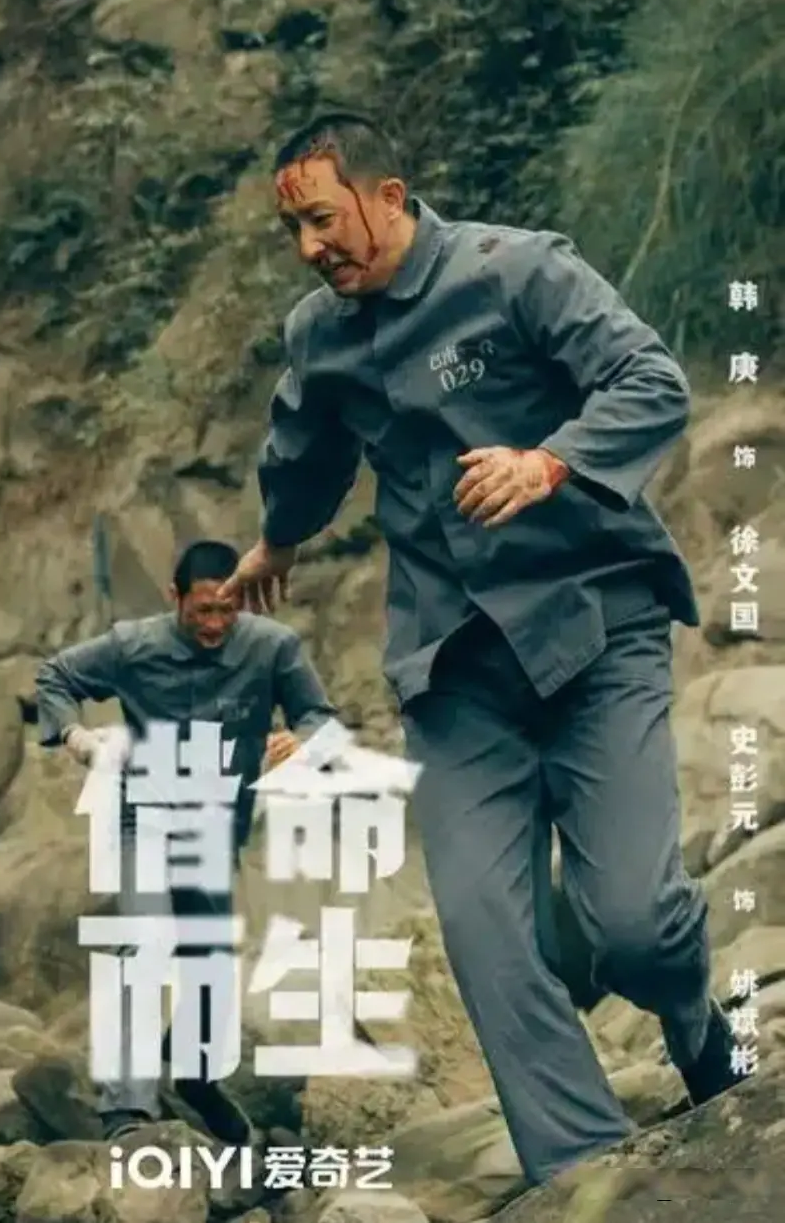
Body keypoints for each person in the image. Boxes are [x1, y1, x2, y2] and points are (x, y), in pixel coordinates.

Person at [217, 110, 744, 1186]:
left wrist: (549, 463)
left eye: (323, 219)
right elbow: (305, 452)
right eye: (294, 231)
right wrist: (277, 539)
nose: (311, 247)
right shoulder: (320, 334)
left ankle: (696, 1025)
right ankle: (588, 1176)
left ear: (388, 196)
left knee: (635, 922)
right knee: (486, 932)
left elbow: (651, 381)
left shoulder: (516, 271)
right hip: (453, 676)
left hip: (594, 633)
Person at [35, 537, 340, 1144]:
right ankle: (126, 1111)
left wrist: (304, 743)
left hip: (216, 826)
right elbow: (56, 676)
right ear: (175, 597)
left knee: (211, 962)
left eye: (227, 610)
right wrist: (76, 737)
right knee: (143, 947)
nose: (215, 624)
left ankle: (195, 1079)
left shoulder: (273, 647)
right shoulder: (133, 645)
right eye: (203, 610)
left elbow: (324, 720)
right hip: (143, 819)